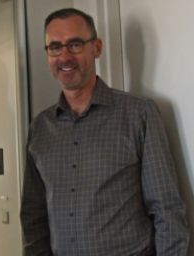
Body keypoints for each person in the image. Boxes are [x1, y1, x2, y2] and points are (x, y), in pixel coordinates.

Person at [20, 8, 189, 256]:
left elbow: (167, 209)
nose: (64, 56)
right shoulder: (40, 129)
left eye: (75, 45)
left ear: (96, 48)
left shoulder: (139, 114)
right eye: (55, 47)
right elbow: (34, 216)